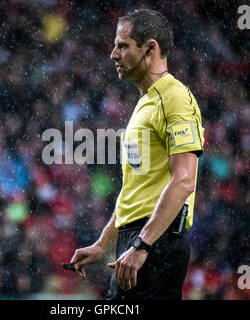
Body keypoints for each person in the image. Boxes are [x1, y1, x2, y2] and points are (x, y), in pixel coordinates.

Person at [70, 9, 205, 300]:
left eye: (123, 45)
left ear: (151, 48)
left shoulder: (175, 98)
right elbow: (136, 191)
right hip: (140, 239)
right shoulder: (145, 104)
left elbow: (184, 181)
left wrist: (143, 245)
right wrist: (103, 243)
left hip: (156, 241)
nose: (113, 54)